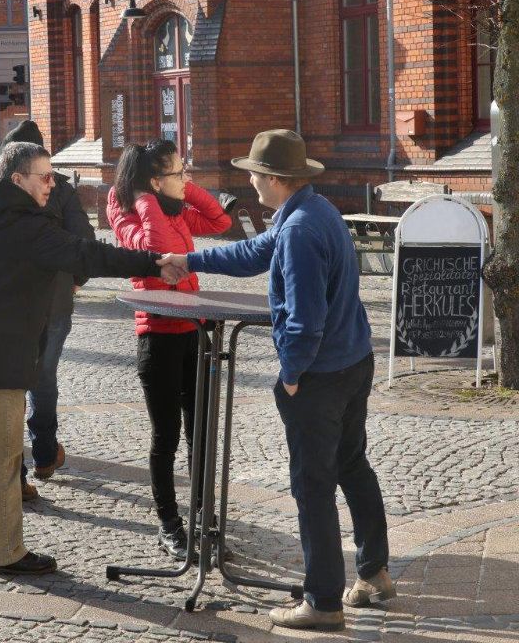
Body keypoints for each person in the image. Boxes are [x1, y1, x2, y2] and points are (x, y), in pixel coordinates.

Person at [158, 129, 393, 632]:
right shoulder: (313, 212)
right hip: (352, 364)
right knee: (352, 465)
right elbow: (252, 253)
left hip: (321, 376)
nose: (249, 180)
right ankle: (374, 573)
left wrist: (290, 376)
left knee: (313, 487)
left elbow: (305, 319)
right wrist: (190, 259)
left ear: (276, 180)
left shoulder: (301, 232)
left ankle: (323, 601)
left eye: (255, 175)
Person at [0, 141, 163, 577]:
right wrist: (155, 263)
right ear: (17, 180)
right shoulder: (28, 225)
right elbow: (89, 254)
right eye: (45, 176)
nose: (54, 184)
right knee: (2, 456)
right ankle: (5, 552)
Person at [107, 139, 231, 559]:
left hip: (194, 331)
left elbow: (219, 221)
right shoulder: (128, 216)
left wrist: (187, 188)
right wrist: (145, 199)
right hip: (157, 336)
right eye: (179, 172)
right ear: (155, 182)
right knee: (167, 437)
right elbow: (157, 247)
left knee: (200, 433)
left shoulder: (178, 209)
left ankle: (202, 517)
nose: (187, 176)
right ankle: (169, 523)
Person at [0, 120, 96, 502]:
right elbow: (85, 242)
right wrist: (76, 279)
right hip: (53, 301)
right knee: (43, 378)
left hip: (9, 305)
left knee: (12, 385)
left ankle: (17, 472)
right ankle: (43, 453)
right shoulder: (63, 192)